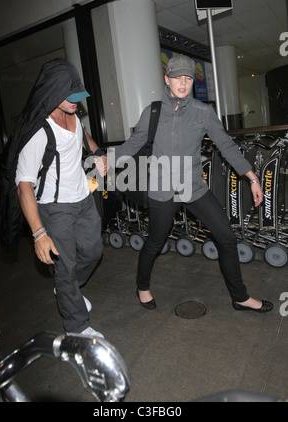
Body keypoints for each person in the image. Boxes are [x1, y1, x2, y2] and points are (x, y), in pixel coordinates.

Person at [115, 54, 273, 313]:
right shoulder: (152, 112)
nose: (183, 82)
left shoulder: (203, 113)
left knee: (226, 236)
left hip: (193, 187)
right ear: (167, 79)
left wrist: (252, 177)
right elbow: (133, 144)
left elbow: (227, 146)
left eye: (188, 78)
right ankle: (142, 287)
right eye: (178, 77)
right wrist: (106, 161)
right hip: (162, 189)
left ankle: (240, 297)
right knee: (155, 241)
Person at [15, 58, 107, 337]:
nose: (78, 103)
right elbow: (23, 186)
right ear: (54, 93)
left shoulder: (74, 117)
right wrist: (39, 233)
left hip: (83, 199)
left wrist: (97, 153)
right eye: (72, 97)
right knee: (65, 267)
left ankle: (68, 289)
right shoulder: (38, 133)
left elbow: (83, 137)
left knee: (94, 251)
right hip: (55, 209)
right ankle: (76, 327)